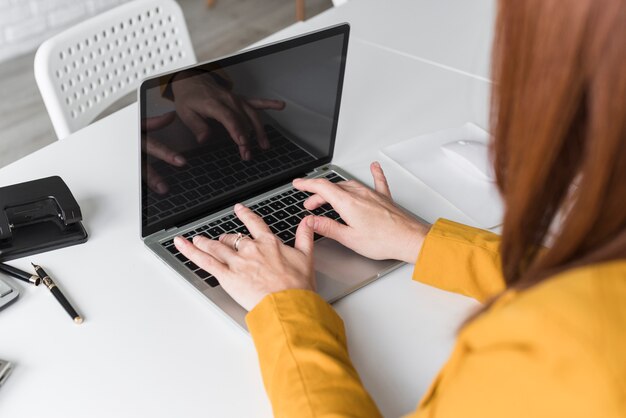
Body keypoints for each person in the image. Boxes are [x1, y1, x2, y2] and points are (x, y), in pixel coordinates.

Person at [174, 0, 626, 416]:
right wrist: (421, 241)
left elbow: (574, 312)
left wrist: (285, 308)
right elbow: (573, 291)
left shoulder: (576, 355)